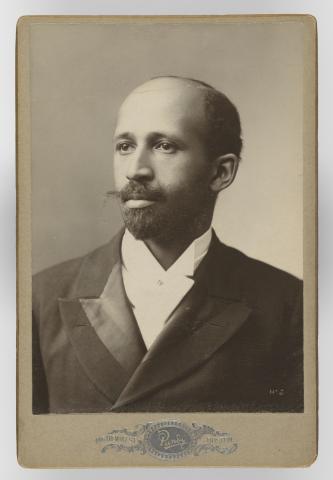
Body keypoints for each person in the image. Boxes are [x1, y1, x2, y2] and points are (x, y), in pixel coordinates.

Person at [32, 76, 303, 414]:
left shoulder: (289, 306)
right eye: (125, 146)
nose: (135, 170)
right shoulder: (39, 298)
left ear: (221, 172)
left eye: (164, 146)